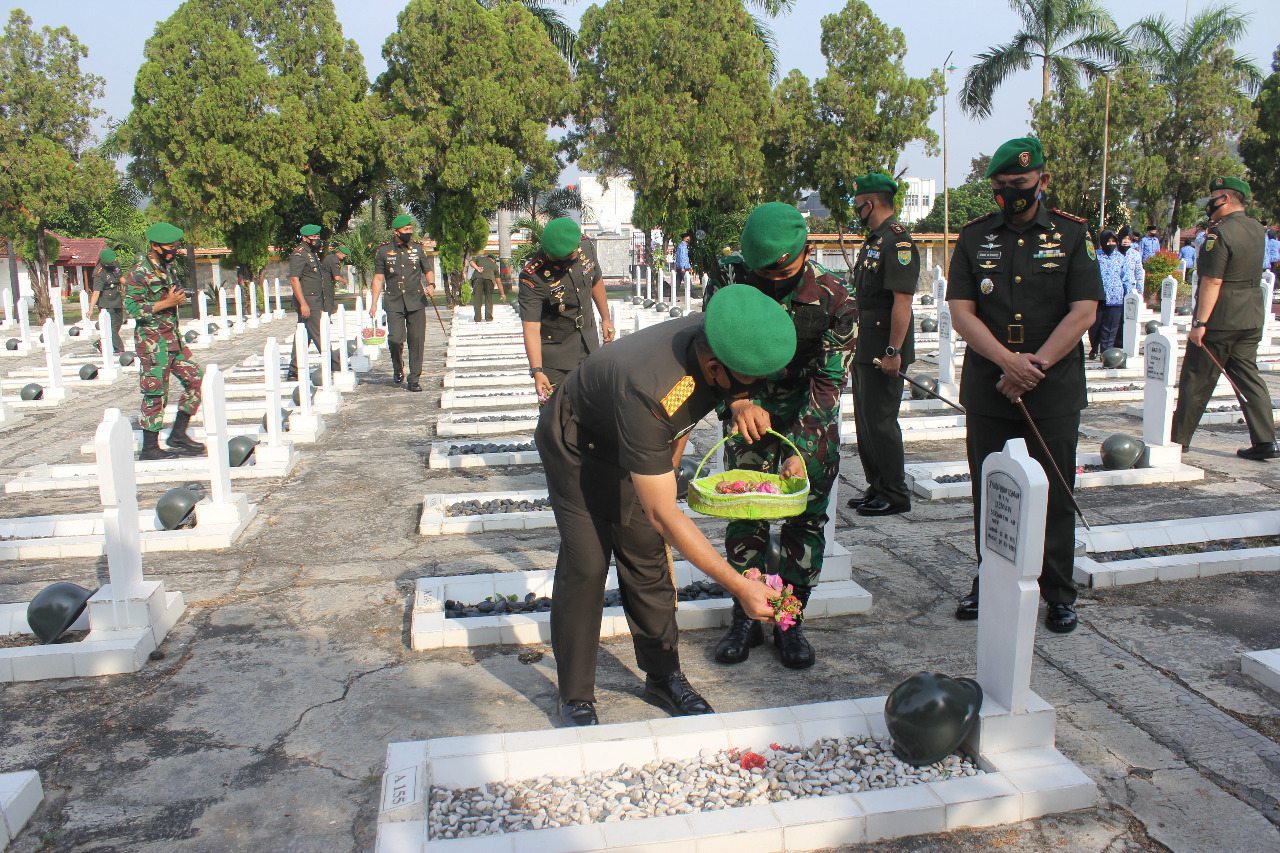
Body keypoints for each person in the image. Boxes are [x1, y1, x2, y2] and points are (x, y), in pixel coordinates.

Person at [538, 284, 796, 726]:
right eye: (749, 384)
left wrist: (740, 401)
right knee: (588, 563)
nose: (756, 391)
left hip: (636, 443)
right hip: (577, 447)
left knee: (647, 559)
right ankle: (575, 694)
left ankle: (663, 677)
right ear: (716, 368)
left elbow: (681, 420)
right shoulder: (651, 387)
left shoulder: (718, 336)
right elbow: (662, 509)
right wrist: (738, 585)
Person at [946, 136, 1103, 635]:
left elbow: (1084, 311)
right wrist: (1006, 363)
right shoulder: (973, 238)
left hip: (1051, 385)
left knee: (1055, 489)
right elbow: (961, 312)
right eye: (1001, 186)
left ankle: (1058, 592)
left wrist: (1033, 367)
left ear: (1042, 181)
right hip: (991, 384)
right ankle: (989, 578)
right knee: (991, 489)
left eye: (1019, 184)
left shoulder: (1072, 235)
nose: (1010, 193)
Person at [712, 202, 859, 669]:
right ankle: (745, 615)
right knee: (745, 509)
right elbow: (711, 347)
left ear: (806, 250)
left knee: (806, 518)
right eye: (763, 274)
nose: (773, 282)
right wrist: (736, 400)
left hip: (806, 409)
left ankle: (790, 619)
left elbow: (829, 379)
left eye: (784, 272)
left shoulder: (837, 296)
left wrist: (804, 444)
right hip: (747, 407)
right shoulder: (730, 278)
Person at [1170, 176, 1278, 460]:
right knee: (1248, 378)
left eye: (1215, 196)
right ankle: (1266, 440)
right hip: (1251, 315)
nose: (1211, 202)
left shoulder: (1219, 234)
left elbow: (1212, 282)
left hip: (1220, 319)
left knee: (1196, 378)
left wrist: (1199, 323)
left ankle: (1178, 441)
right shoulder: (1257, 228)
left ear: (1226, 199)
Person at [845, 172, 916, 517]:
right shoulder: (875, 240)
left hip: (885, 348)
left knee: (883, 422)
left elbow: (901, 303)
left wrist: (893, 351)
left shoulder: (897, 242)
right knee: (866, 421)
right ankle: (878, 486)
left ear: (869, 204)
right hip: (866, 345)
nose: (856, 210)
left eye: (858, 205)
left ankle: (895, 492)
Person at [122, 222, 206, 461]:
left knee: (197, 380)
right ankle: (150, 448)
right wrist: (166, 303)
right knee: (156, 393)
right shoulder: (139, 272)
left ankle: (178, 434)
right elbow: (132, 309)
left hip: (173, 339)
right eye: (170, 246)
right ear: (155, 246)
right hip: (152, 343)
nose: (173, 250)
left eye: (175, 246)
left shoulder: (167, 269)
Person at [519, 218, 615, 401]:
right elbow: (531, 327)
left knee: (594, 406)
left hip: (588, 343)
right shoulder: (533, 277)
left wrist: (606, 318)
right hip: (556, 356)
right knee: (556, 414)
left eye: (572, 256)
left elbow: (595, 280)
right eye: (561, 260)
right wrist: (537, 371)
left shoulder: (585, 245)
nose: (570, 262)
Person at [370, 214, 435, 391]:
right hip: (394, 300)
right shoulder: (383, 251)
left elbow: (427, 270)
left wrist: (431, 284)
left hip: (416, 299)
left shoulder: (418, 248)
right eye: (406, 230)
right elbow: (378, 278)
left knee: (416, 340)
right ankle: (398, 367)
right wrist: (374, 304)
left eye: (410, 229)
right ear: (396, 231)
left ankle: (414, 378)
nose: (409, 232)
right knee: (395, 339)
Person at [287, 225, 340, 381]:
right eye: (314, 237)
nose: (317, 240)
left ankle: (294, 370)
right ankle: (335, 364)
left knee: (304, 336)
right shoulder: (299, 254)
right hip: (308, 301)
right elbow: (294, 279)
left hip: (315, 299)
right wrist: (303, 303)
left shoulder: (311, 254)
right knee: (319, 334)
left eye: (318, 236)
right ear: (304, 238)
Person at [1088, 229, 1126, 358]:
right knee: (1095, 326)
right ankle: (1094, 347)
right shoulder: (1095, 256)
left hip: (1116, 298)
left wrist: (1131, 293)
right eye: (1108, 241)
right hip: (1098, 297)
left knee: (1110, 328)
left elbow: (1126, 277)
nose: (1111, 243)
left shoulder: (1120, 257)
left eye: (1113, 241)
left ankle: (1106, 352)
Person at [90, 248, 126, 354]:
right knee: (112, 327)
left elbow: (120, 278)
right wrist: (91, 309)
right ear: (104, 262)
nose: (113, 263)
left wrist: (131, 284)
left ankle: (101, 342)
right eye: (110, 262)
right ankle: (120, 350)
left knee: (118, 323)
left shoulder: (116, 264)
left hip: (116, 297)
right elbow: (96, 292)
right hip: (105, 301)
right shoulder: (98, 272)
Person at [468, 252, 504, 322]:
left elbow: (471, 262)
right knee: (488, 298)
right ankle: (489, 318)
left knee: (477, 298)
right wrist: (502, 294)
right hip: (489, 280)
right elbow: (498, 282)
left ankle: (477, 318)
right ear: (493, 259)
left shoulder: (479, 258)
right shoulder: (494, 265)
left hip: (477, 279)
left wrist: (477, 268)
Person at [1120, 227, 1145, 298]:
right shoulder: (1114, 253)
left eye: (1128, 239)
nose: (1126, 241)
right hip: (1117, 293)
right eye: (1124, 238)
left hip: (1131, 291)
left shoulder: (1135, 254)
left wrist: (1140, 294)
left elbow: (1139, 274)